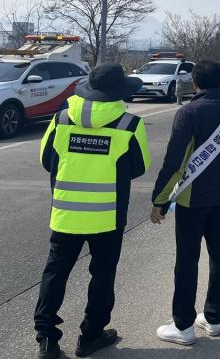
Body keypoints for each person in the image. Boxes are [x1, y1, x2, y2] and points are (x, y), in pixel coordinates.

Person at [34, 63, 150, 359]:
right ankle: (91, 335)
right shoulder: (129, 125)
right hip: (107, 216)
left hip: (66, 213)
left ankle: (46, 340)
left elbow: (48, 160)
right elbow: (139, 168)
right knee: (102, 275)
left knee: (55, 273)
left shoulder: (61, 120)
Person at [150, 60, 220, 345]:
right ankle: (214, 318)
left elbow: (174, 162)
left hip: (191, 200)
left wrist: (159, 200)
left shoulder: (188, 112)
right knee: (219, 255)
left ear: (194, 83)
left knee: (187, 259)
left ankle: (183, 326)